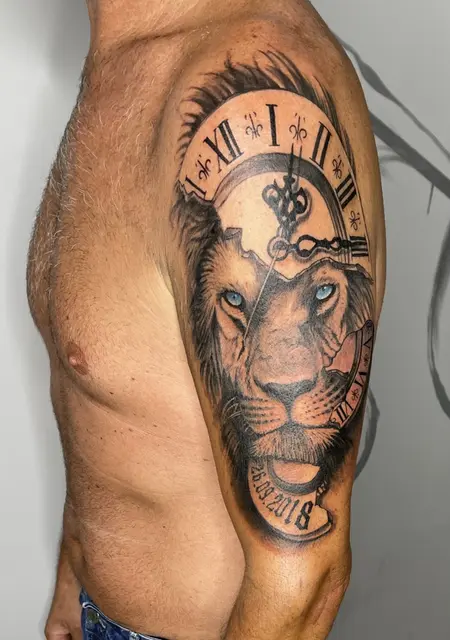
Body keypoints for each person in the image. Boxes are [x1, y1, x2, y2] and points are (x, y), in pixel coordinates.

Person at [27, 0, 386, 638]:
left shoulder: (249, 102)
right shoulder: (125, 51)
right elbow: (121, 381)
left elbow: (300, 583)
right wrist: (77, 564)